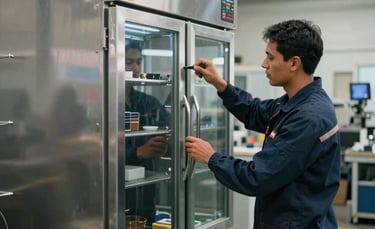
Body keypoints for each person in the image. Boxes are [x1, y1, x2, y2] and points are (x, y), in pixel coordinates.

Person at [185, 19, 341, 228]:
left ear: (294, 63)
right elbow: (254, 110)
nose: (264, 64)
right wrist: (220, 84)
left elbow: (257, 177)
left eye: (270, 57)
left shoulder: (308, 117)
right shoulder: (296, 102)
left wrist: (212, 158)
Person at [124, 41, 171, 226]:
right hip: (117, 190)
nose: (135, 68)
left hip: (146, 189)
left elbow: (168, 127)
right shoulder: (105, 105)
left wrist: (170, 142)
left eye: (138, 62)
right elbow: (98, 150)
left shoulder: (148, 103)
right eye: (129, 62)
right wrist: (137, 152)